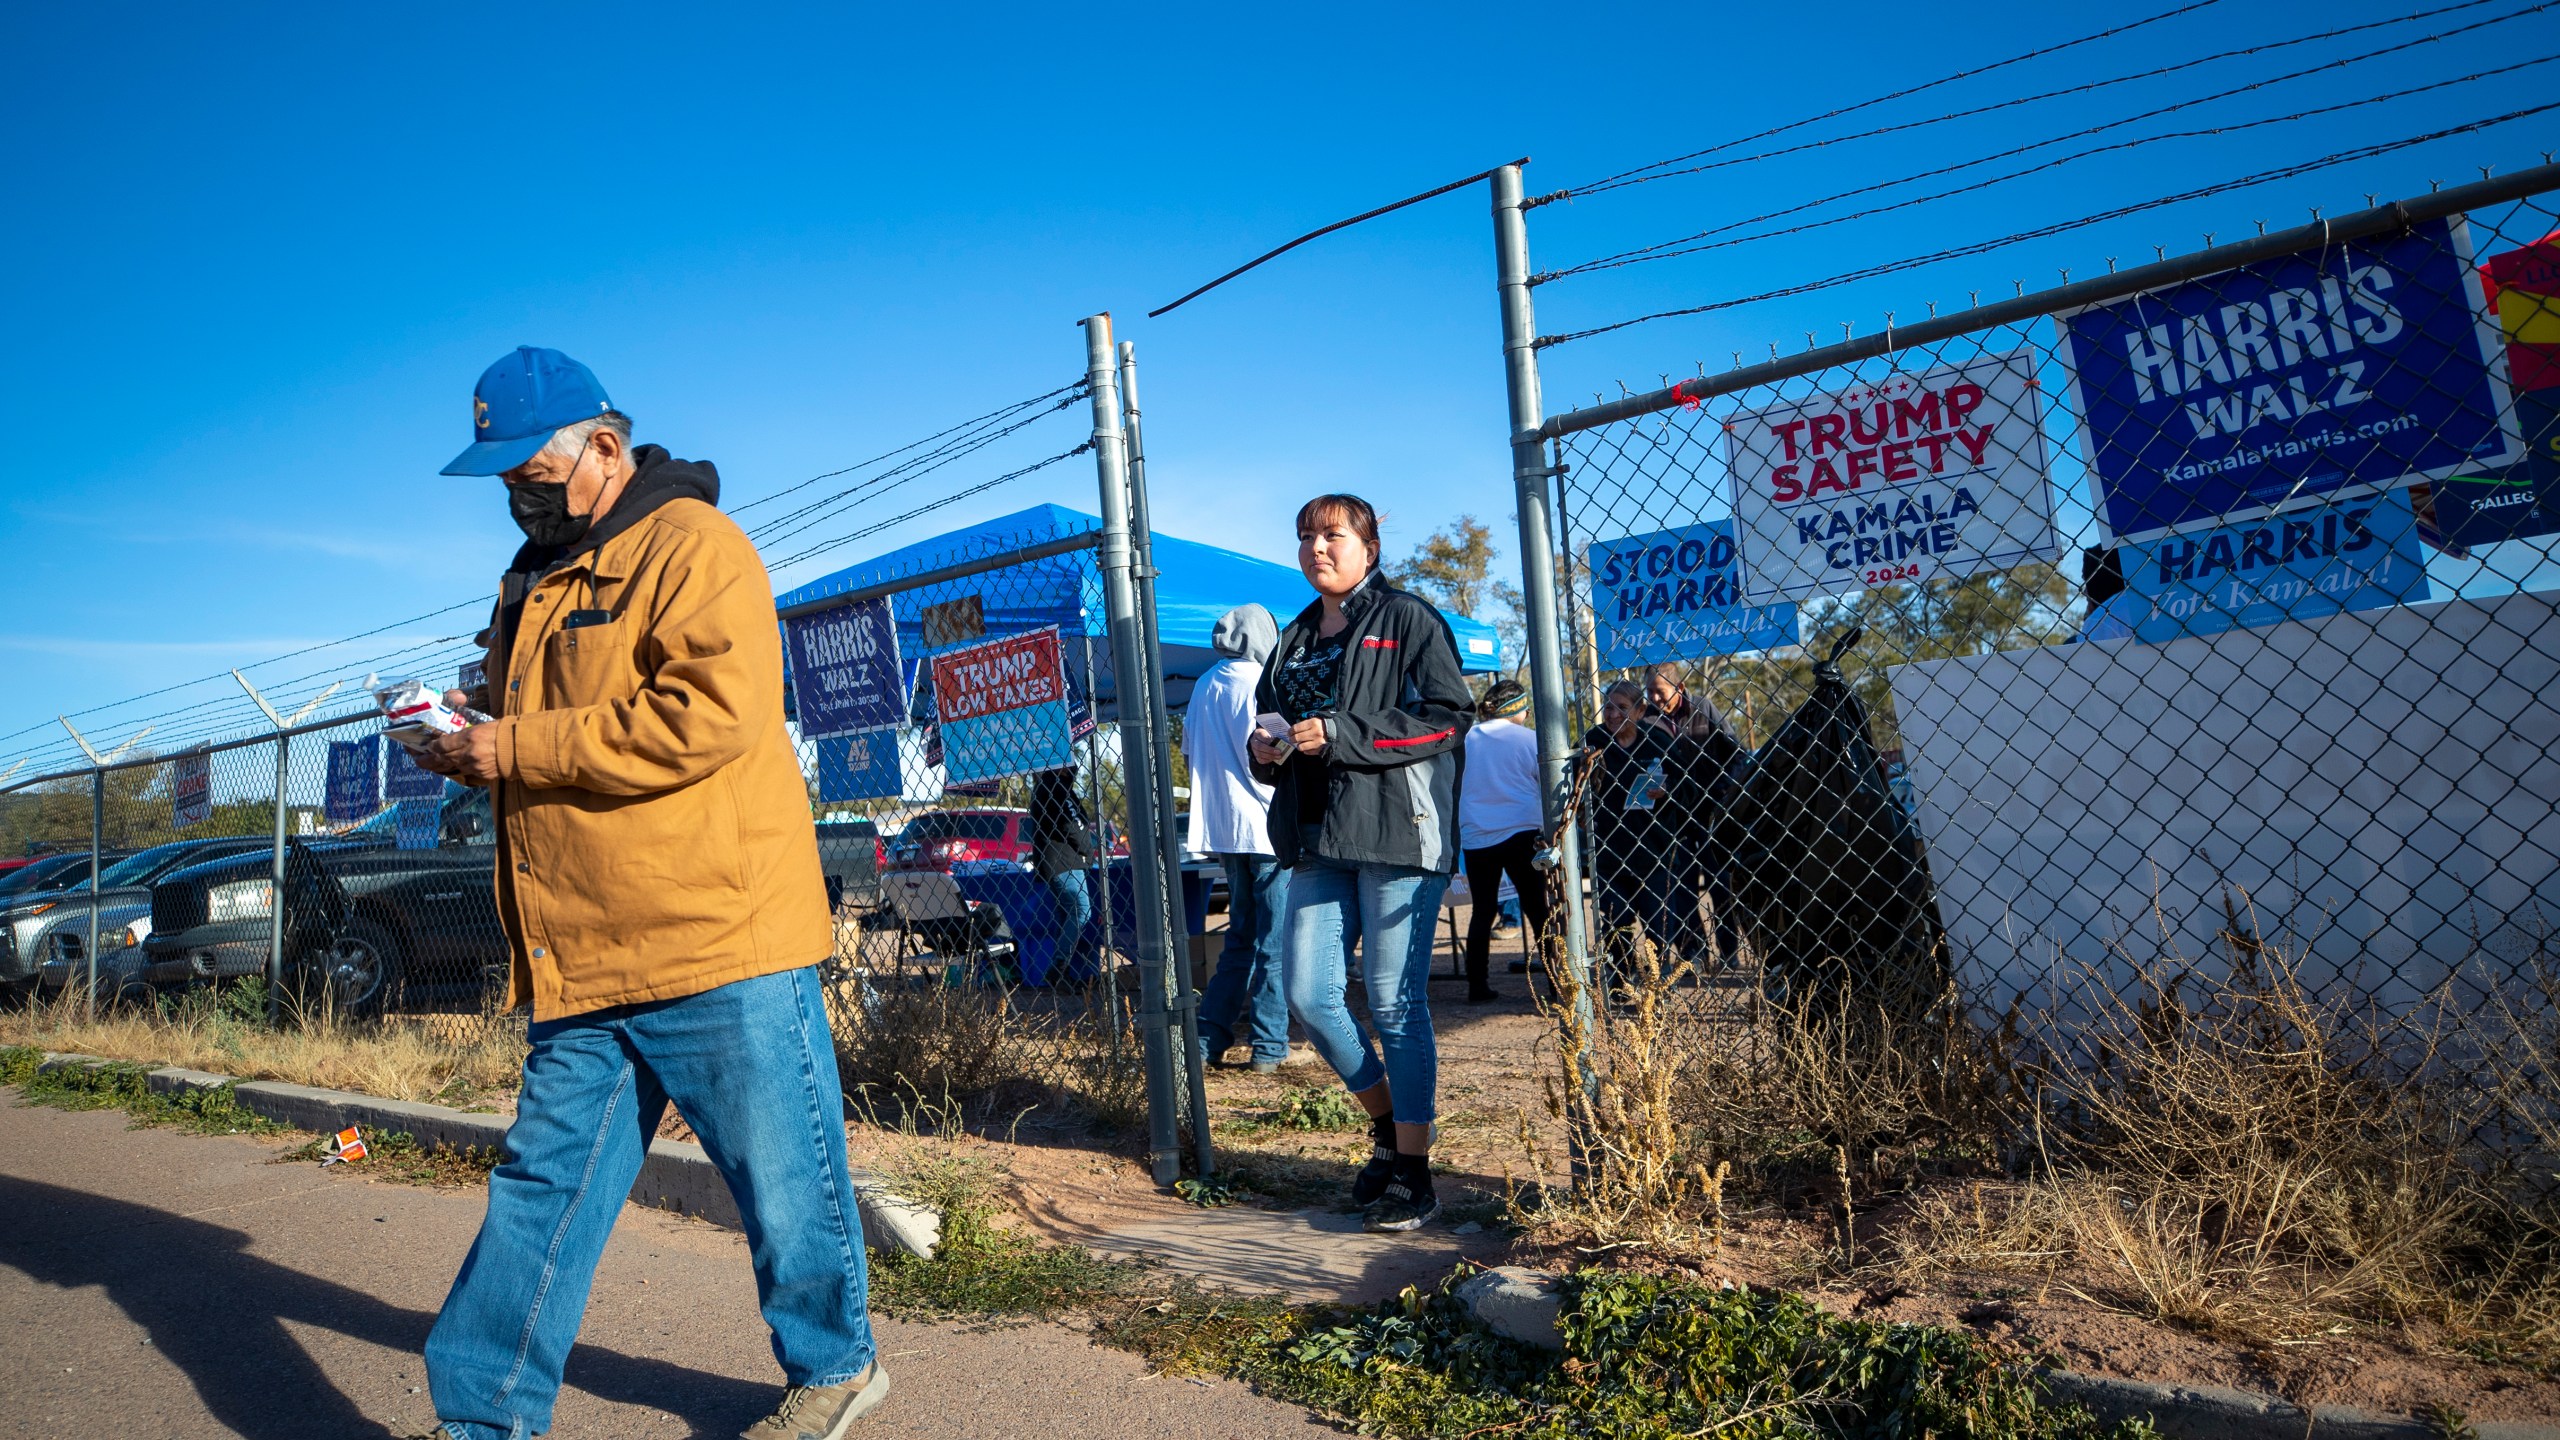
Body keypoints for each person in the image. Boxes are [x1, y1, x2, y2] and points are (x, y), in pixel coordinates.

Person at [408, 347, 886, 1440]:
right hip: (583, 948)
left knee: (784, 1186)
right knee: (539, 1195)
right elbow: (564, 710)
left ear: (606, 450)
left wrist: (513, 747)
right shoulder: (531, 580)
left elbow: (710, 716)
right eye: (502, 479)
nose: (515, 495)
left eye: (530, 470)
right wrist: (471, 726)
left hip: (715, 935)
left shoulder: (693, 547)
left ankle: (835, 1368)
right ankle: (480, 1420)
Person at [1249, 493, 1472, 1233]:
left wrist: (1342, 732)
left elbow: (1447, 717)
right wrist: (1267, 750)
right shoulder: (1293, 638)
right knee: (1311, 996)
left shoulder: (1407, 619)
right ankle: (1388, 1125)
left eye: (1333, 535)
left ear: (1369, 548)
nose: (1318, 547)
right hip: (1317, 837)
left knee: (1393, 1000)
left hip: (1399, 833)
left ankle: (1415, 1170)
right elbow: (1278, 730)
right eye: (1306, 535)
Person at [1185, 603, 1292, 1073]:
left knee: (1240, 938)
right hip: (1267, 827)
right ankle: (1269, 1047)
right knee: (1274, 941)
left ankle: (1211, 1038)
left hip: (1225, 828)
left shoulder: (1205, 684)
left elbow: (1191, 750)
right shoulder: (1263, 682)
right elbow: (1284, 750)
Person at [1457, 679, 1548, 1001]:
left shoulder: (1466, 739)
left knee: (1483, 909)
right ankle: (1555, 983)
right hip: (1522, 829)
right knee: (1537, 908)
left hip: (1477, 834)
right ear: (1517, 708)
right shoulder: (1531, 739)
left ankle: (1477, 985)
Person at [1580, 679, 1677, 975]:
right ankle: (1620, 982)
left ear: (1639, 710)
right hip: (1610, 849)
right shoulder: (1593, 740)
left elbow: (1686, 785)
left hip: (1653, 850)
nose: (1612, 714)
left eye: (1622, 707)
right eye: (1608, 707)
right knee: (1615, 920)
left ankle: (1657, 984)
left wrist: (1667, 792)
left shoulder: (1657, 741)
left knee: (1657, 922)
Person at [1029, 765, 1098, 982]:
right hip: (1065, 862)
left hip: (1055, 861)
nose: (1074, 770)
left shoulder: (1045, 788)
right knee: (1081, 911)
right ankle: (1059, 965)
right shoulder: (1058, 789)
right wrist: (1088, 849)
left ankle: (1062, 970)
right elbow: (1073, 825)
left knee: (1066, 915)